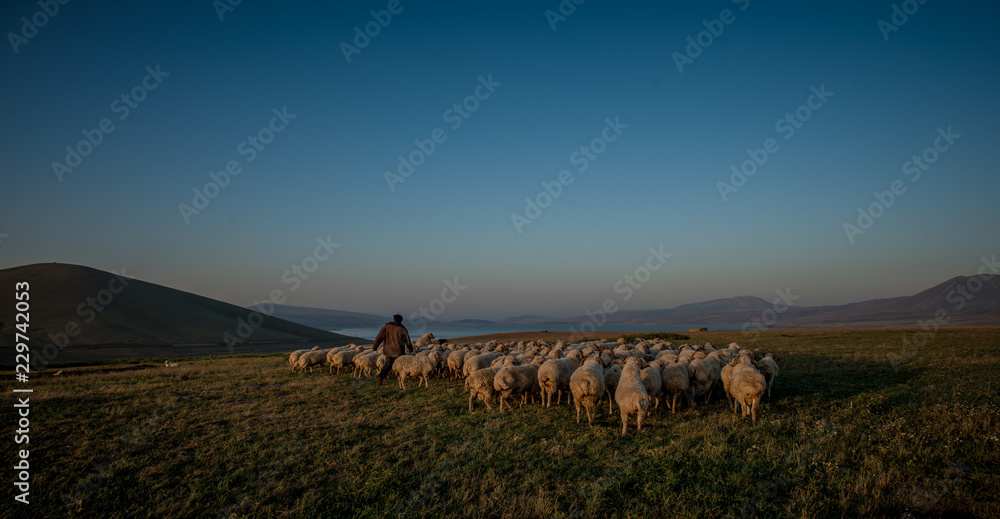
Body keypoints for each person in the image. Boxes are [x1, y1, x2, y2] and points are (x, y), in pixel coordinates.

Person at [371, 314, 414, 385]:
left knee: (388, 364)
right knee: (402, 366)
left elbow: (379, 337)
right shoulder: (402, 329)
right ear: (401, 320)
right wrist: (410, 348)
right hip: (399, 350)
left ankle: (381, 376)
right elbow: (407, 340)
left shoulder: (387, 327)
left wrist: (375, 346)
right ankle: (401, 380)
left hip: (388, 350)